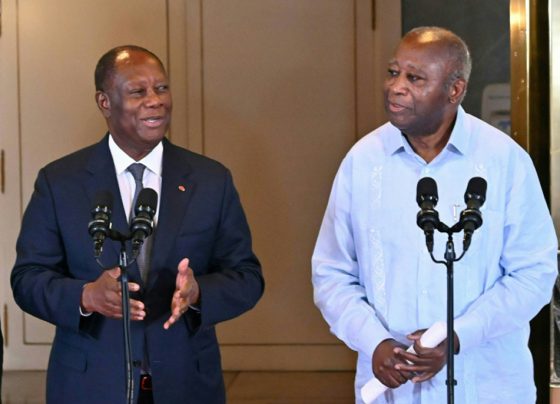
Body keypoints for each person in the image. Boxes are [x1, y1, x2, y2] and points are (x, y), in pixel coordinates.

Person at [312, 26, 558, 403]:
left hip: (486, 385)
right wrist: (374, 341)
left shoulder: (503, 161)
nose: (396, 87)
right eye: (393, 73)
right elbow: (331, 273)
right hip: (394, 390)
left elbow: (534, 272)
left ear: (454, 90)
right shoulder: (363, 162)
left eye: (415, 78)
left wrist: (458, 336)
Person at [11, 45, 264, 404]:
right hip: (90, 386)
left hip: (186, 384)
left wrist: (198, 293)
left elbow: (247, 277)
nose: (155, 101)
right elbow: (28, 279)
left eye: (161, 88)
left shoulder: (211, 180)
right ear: (104, 102)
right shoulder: (60, 182)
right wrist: (87, 296)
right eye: (138, 91)